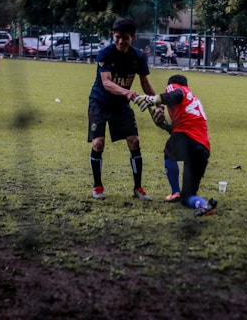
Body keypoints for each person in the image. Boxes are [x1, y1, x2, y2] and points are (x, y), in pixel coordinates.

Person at [88, 17, 163, 200]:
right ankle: (97, 186)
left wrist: (157, 104)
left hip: (121, 106)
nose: (121, 41)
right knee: (98, 144)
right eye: (117, 37)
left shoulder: (138, 57)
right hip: (100, 103)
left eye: (125, 38)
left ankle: (138, 188)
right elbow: (106, 83)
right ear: (113, 35)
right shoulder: (104, 54)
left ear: (133, 38)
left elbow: (145, 82)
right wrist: (128, 93)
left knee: (134, 141)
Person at [134, 74, 217, 216]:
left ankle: (175, 192)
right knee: (188, 197)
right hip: (202, 149)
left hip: (188, 139)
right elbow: (179, 129)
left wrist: (152, 99)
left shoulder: (178, 89)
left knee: (169, 152)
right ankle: (204, 205)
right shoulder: (191, 99)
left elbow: (176, 94)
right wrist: (164, 125)